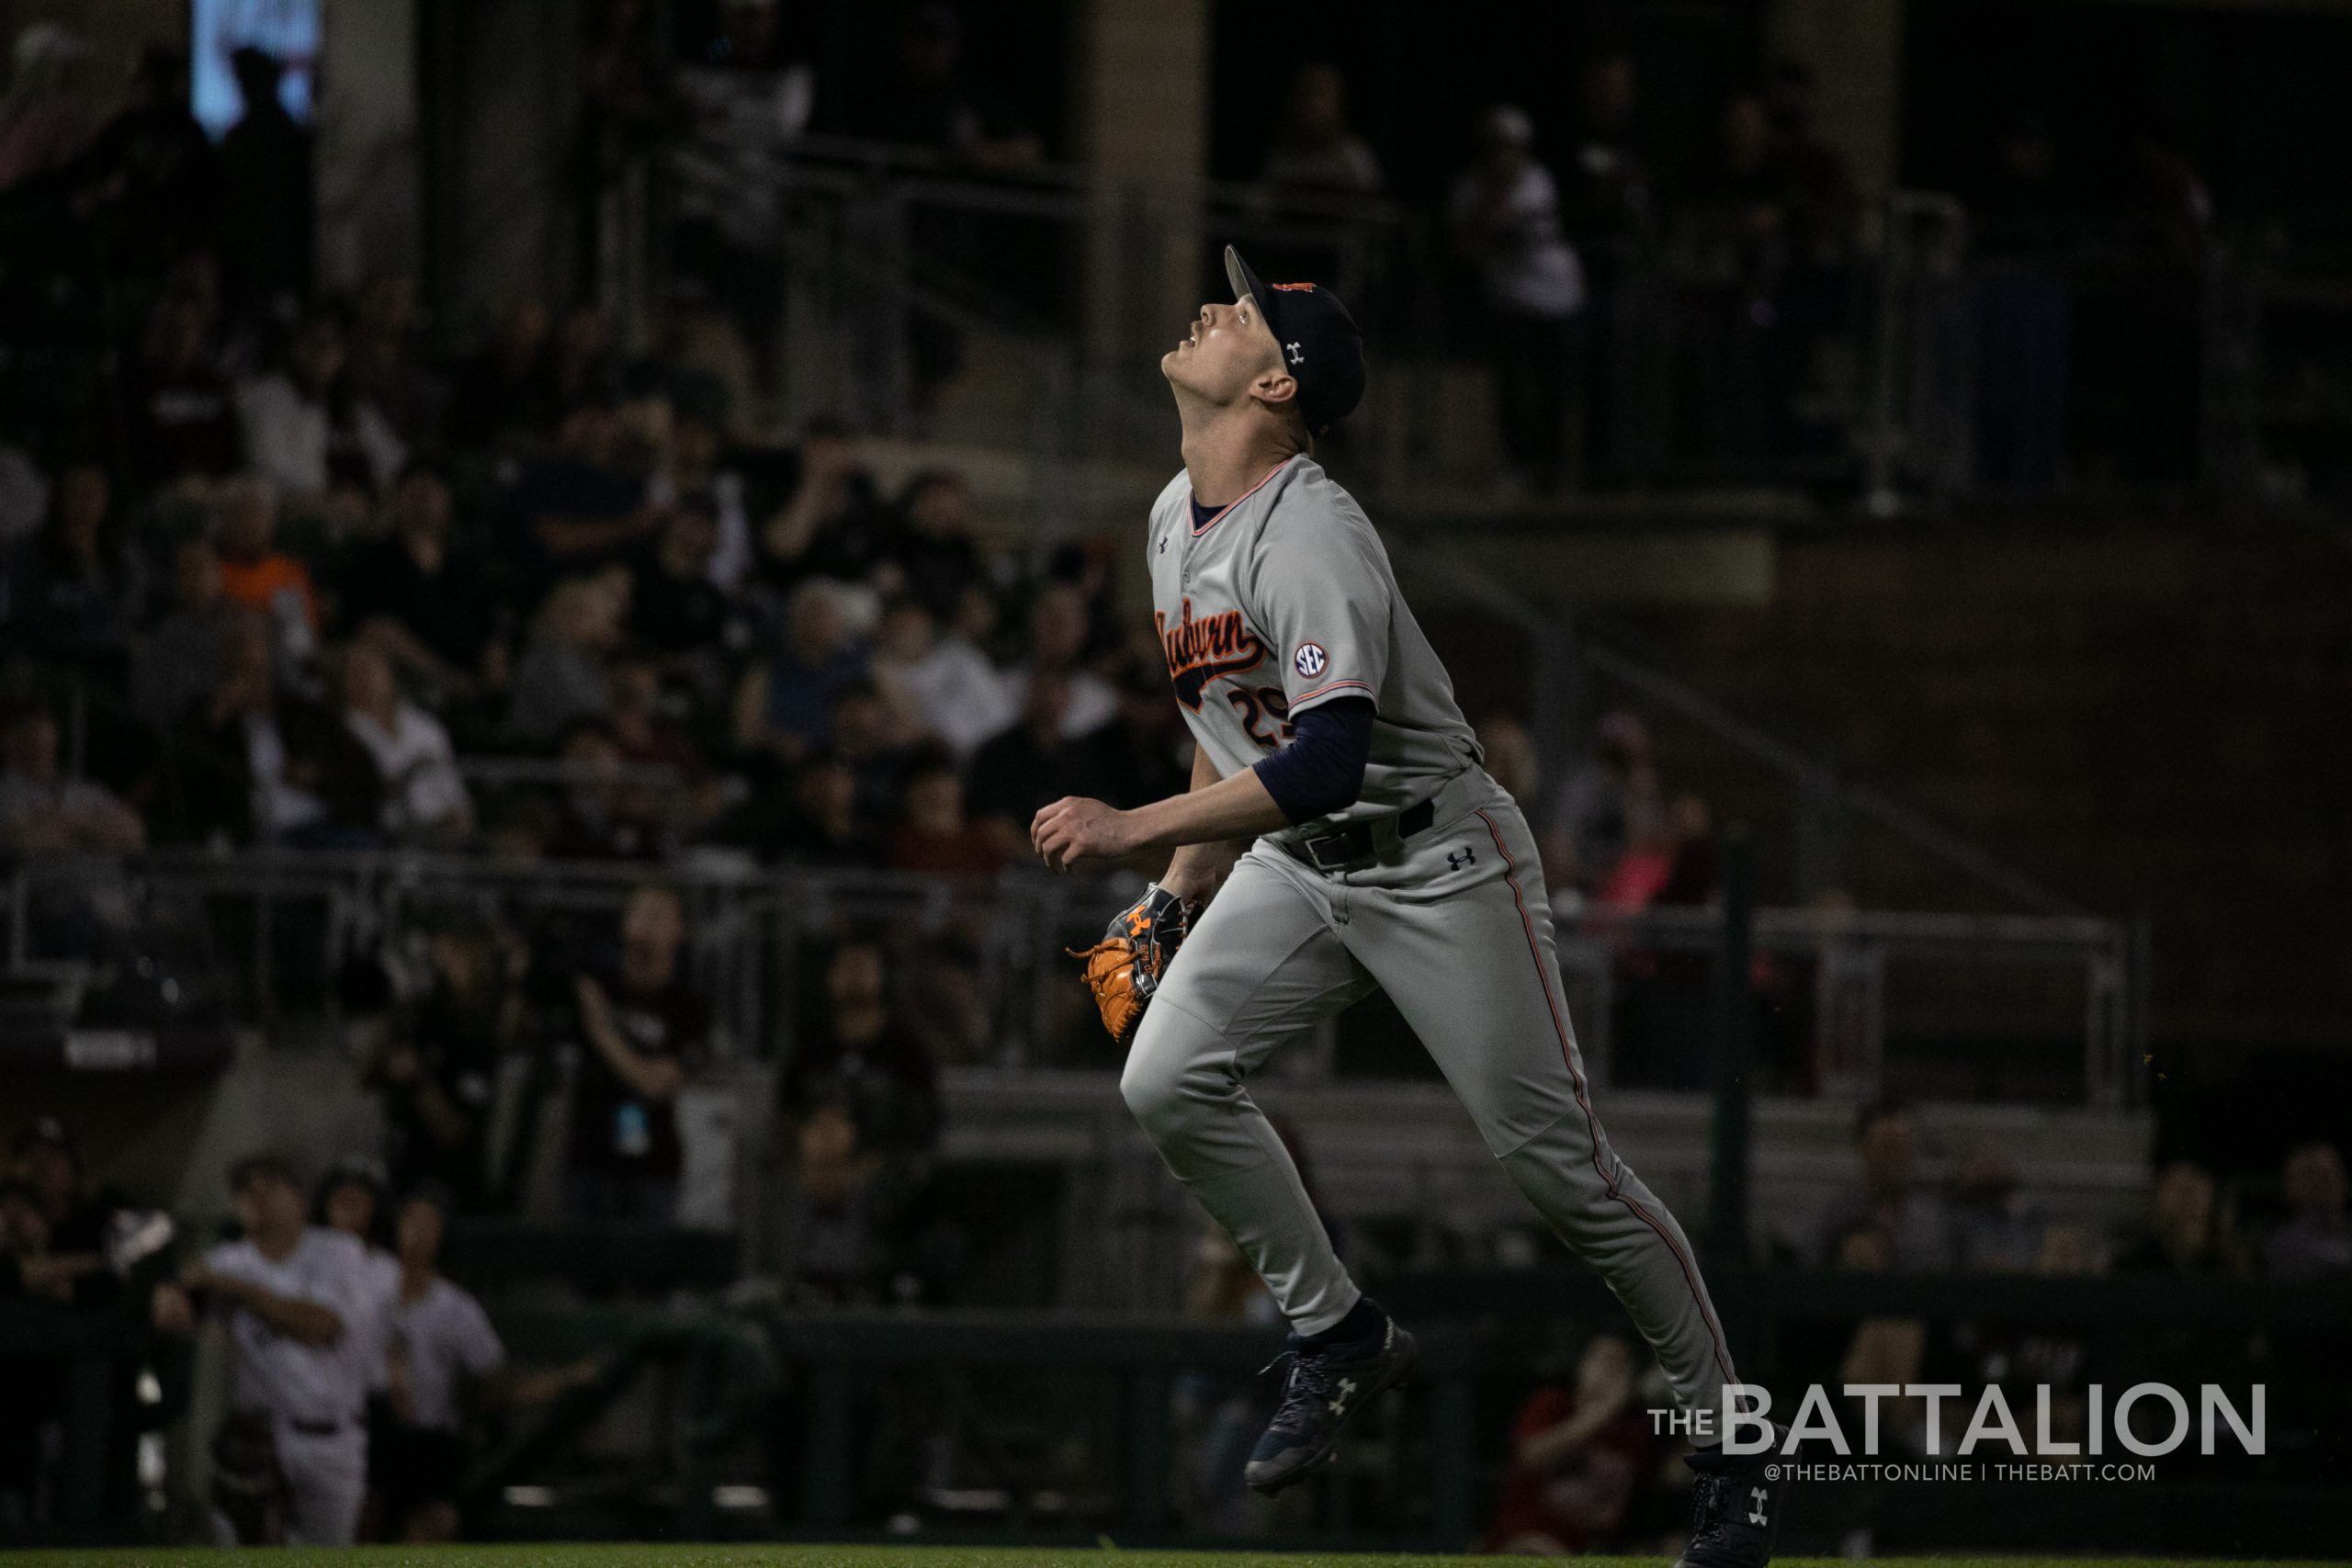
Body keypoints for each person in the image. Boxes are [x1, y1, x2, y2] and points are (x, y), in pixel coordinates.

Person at [1025, 247, 1781, 1560]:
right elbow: (1228, 717)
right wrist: (1171, 892)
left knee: (1565, 1169)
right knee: (1166, 1077)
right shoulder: (1173, 512)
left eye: (1243, 311)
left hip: (1443, 861)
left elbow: (1320, 755)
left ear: (1274, 379)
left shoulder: (1315, 529)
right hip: (1304, 863)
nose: (1210, 305)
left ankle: (1732, 1447)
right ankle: (1340, 1330)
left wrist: (1131, 825)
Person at [184, 1155, 379, 1546]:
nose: (256, 1194)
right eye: (244, 1189)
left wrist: (235, 1290)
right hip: (261, 1439)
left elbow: (320, 1326)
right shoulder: (228, 1260)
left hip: (332, 1438)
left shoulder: (338, 1251)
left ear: (301, 1200)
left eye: (270, 1183)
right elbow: (173, 1308)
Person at [1448, 106, 1586, 492]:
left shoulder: (1537, 181)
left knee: (1551, 388)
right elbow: (1466, 245)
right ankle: (1520, 467)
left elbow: (1497, 226)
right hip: (1507, 301)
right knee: (1512, 390)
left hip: (1554, 300)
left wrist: (1488, 225)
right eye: (1496, 147)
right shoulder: (1469, 185)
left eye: (1511, 147)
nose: (1503, 156)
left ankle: (1555, 472)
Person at [564, 884, 708, 1222]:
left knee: (651, 1265)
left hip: (654, 1165)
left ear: (680, 930)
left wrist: (601, 1030)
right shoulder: (599, 987)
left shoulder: (690, 1005)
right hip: (589, 1158)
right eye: (640, 912)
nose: (646, 923)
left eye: (659, 915)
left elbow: (656, 1084)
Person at [1484, 1332, 1655, 1554]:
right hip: (1526, 1543)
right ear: (1582, 1365)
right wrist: (1603, 1412)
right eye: (1604, 1359)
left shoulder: (1636, 1432)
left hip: (1595, 1552)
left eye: (1621, 1364)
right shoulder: (1552, 1405)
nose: (1610, 1371)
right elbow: (1533, 1459)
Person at [337, 638, 471, 845]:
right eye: (355, 671)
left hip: (442, 832)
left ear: (390, 673)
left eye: (371, 669)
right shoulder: (342, 731)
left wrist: (461, 814)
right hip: (384, 836)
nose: (365, 679)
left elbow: (452, 784)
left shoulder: (425, 726)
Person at [1809, 1099, 1954, 1272]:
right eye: (1887, 1148)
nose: (1897, 1158)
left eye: (1904, 1147)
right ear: (1863, 1148)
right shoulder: (1835, 1217)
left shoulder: (1933, 1220)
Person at [0, 701, 144, 854]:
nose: (41, 748)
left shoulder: (83, 791)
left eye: (46, 742)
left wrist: (59, 823)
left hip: (96, 876)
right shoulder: (7, 793)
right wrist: (94, 829)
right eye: (31, 740)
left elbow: (133, 834)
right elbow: (22, 842)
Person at [1261, 63, 1381, 197]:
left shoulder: (1356, 159)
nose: (1316, 104)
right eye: (1310, 93)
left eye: (1324, 94)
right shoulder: (1281, 160)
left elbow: (1372, 209)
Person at [2111, 1159, 2239, 1276]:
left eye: (2193, 1190)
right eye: (2179, 1190)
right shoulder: (2134, 1263)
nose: (2186, 1201)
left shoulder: (2227, 1264)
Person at [2263, 1143, 2349, 1280]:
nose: (2329, 1184)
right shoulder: (2285, 1244)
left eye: (2334, 1174)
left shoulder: (2345, 1233)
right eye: (2315, 1176)